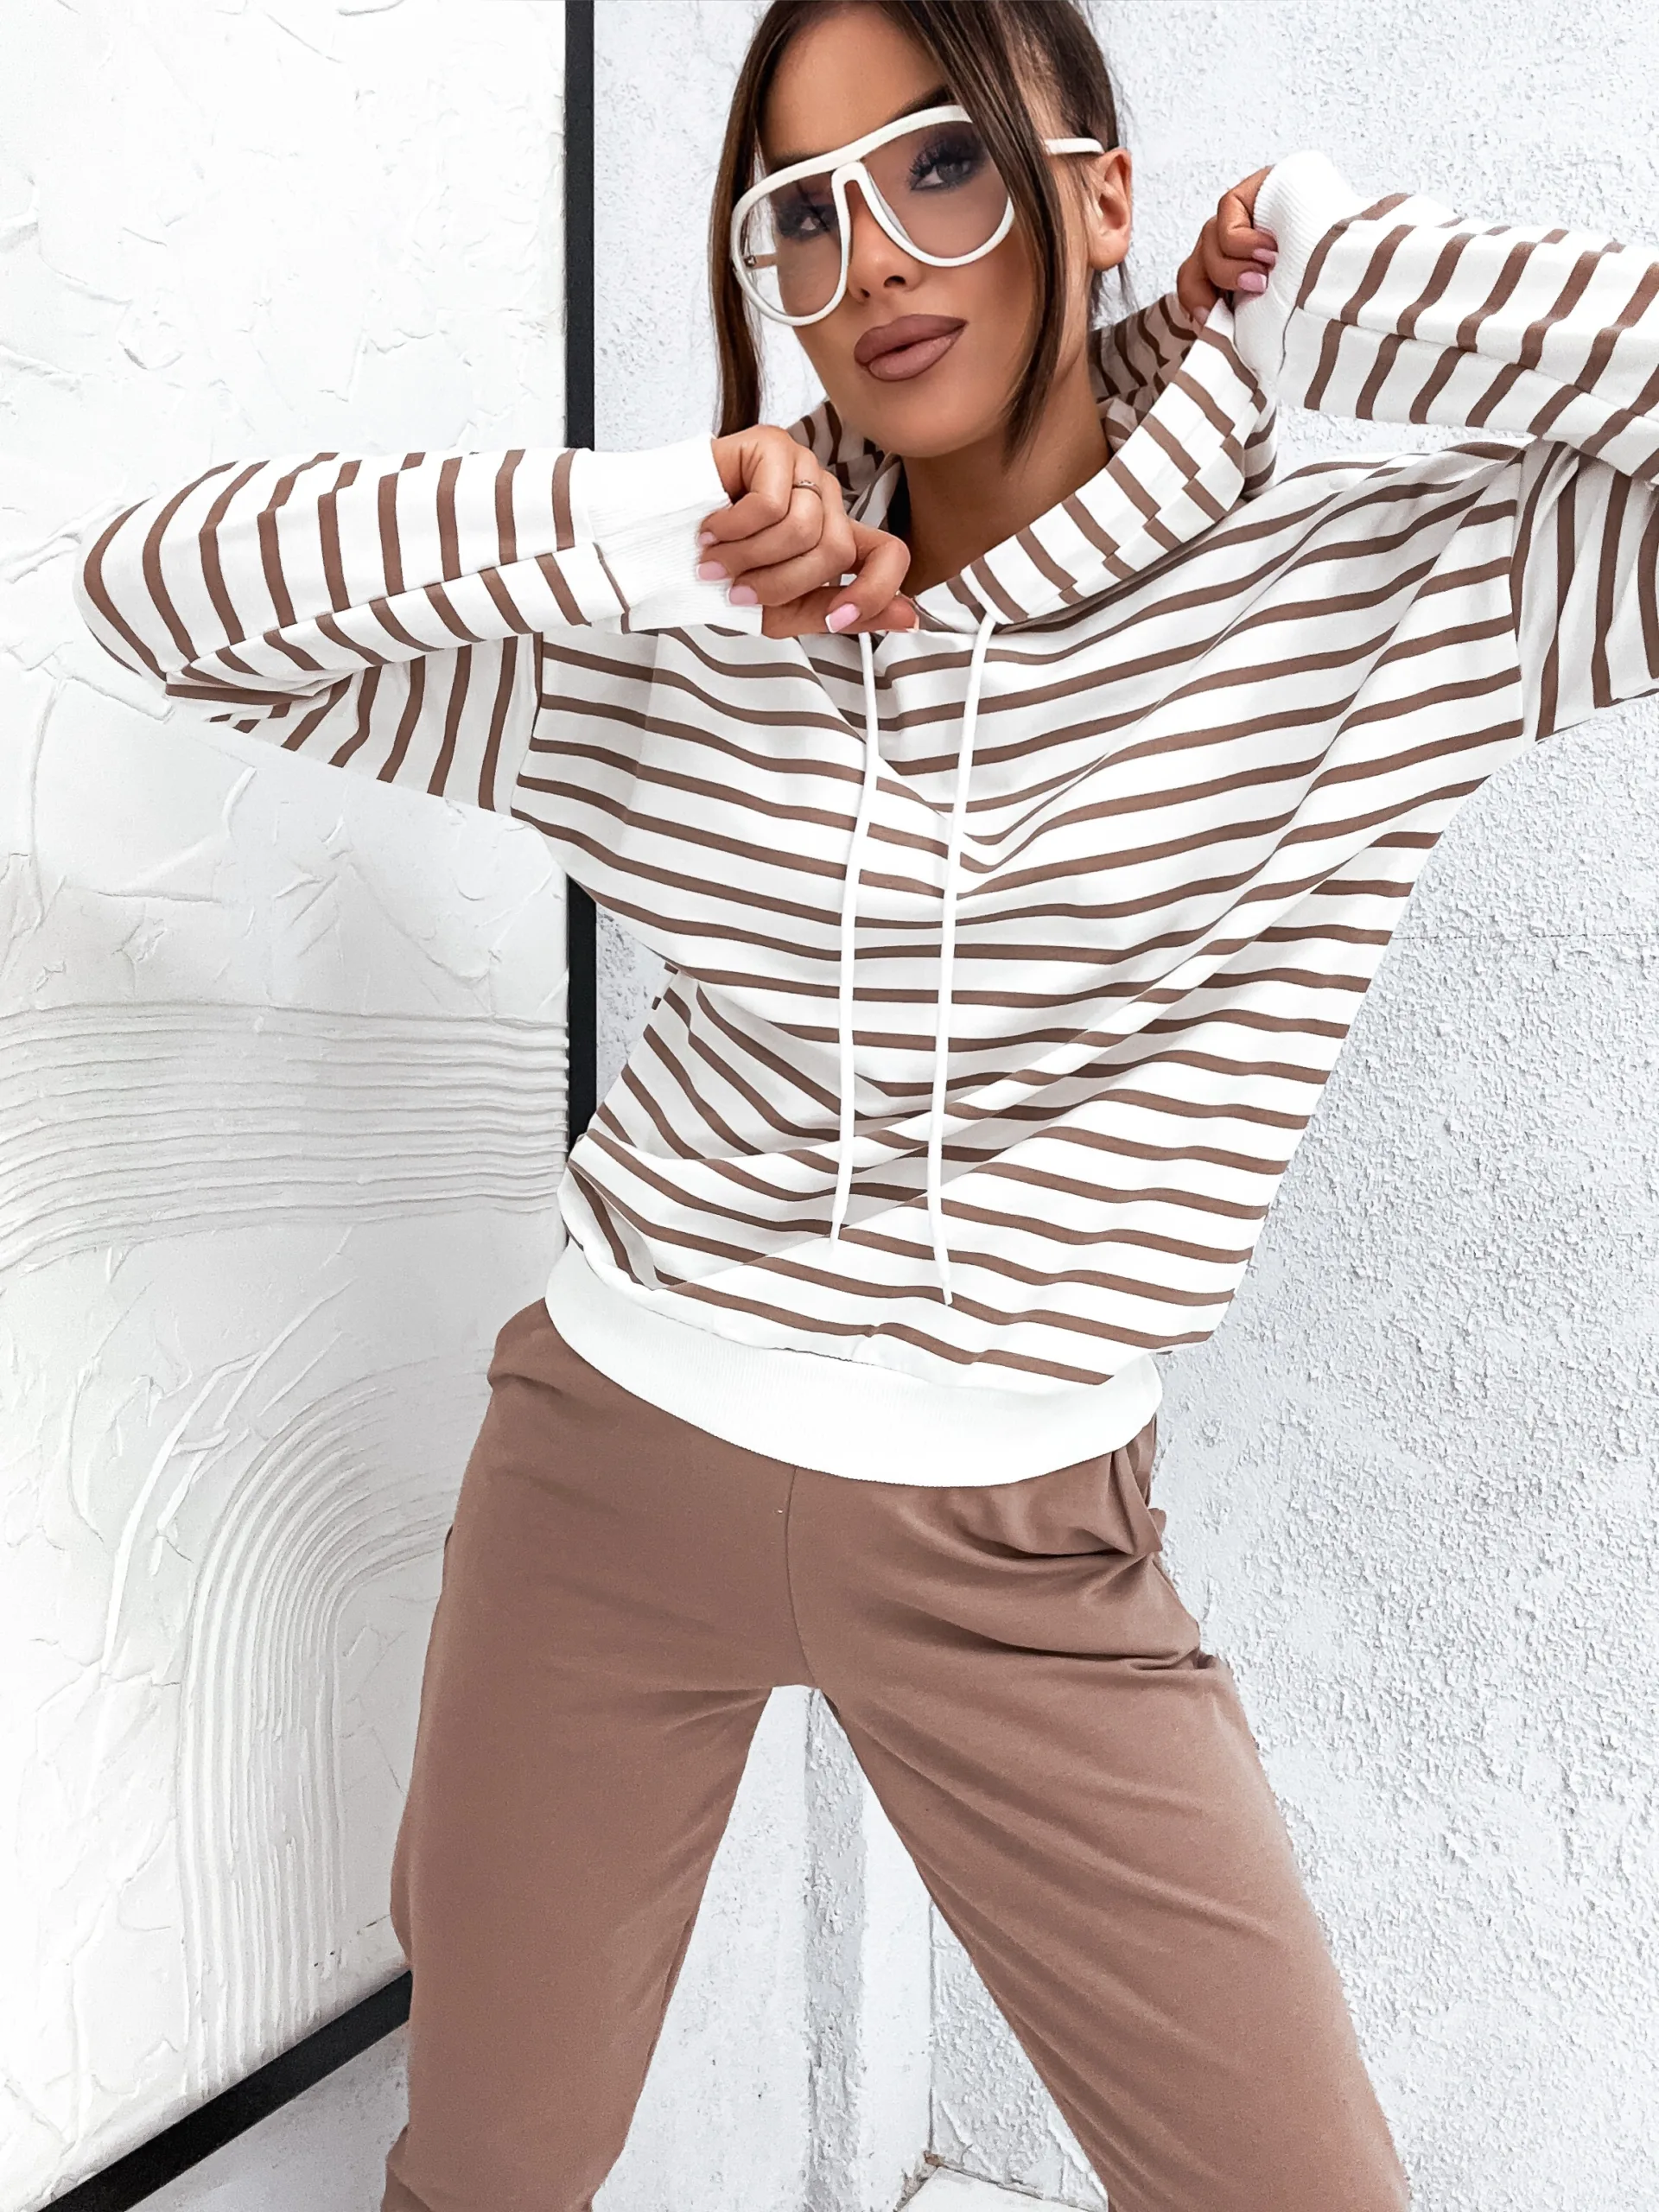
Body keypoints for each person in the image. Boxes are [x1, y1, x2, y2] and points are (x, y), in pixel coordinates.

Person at [73, 0, 1659, 2204]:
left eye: (941, 162)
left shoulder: (1369, 594)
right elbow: (154, 596)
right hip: (607, 1474)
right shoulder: (695, 627)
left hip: (1024, 1549)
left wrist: (1335, 265)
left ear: (1099, 194)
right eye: (799, 214)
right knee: (485, 2174)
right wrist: (664, 523)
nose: (873, 257)